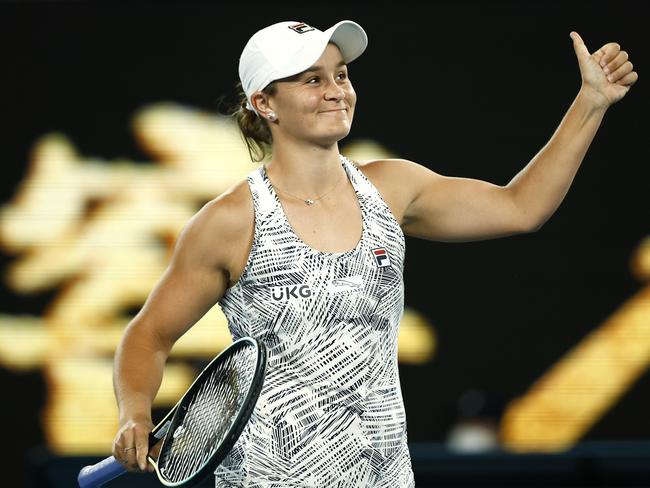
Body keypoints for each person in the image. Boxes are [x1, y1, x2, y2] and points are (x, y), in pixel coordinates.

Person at [111, 19, 637, 487]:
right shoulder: (230, 221)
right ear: (264, 103)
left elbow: (520, 207)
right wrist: (135, 412)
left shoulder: (392, 187)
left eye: (340, 75)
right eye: (311, 80)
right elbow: (148, 335)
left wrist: (590, 103)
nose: (335, 91)